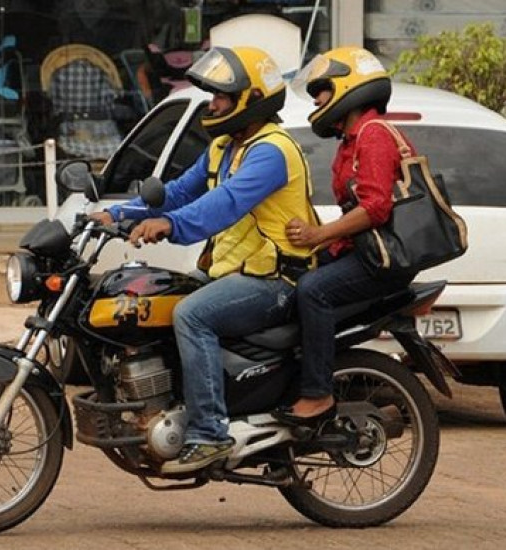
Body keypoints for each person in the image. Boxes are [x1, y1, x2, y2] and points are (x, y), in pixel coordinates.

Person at [89, 45, 319, 474]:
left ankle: (210, 433)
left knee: (192, 316)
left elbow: (223, 205)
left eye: (221, 97)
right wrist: (117, 213)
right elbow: (177, 192)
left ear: (251, 99)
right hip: (229, 273)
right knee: (153, 295)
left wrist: (170, 226)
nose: (212, 105)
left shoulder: (271, 150)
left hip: (275, 282)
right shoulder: (224, 148)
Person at [272, 46, 418, 425]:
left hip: (382, 260)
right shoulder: (351, 140)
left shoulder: (372, 134)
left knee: (313, 291)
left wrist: (319, 234)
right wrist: (316, 241)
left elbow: (375, 209)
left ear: (348, 87)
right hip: (363, 252)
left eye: (321, 90)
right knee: (292, 279)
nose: (317, 99)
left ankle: (318, 393)